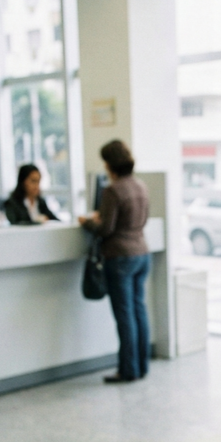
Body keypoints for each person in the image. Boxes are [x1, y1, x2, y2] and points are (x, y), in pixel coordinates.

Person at [78, 140, 150, 384]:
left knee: (124, 315)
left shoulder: (113, 190)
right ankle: (141, 366)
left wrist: (87, 222)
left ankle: (128, 370)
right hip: (142, 253)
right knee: (139, 311)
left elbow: (105, 229)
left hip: (120, 256)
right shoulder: (141, 186)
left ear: (109, 163)